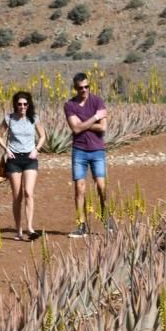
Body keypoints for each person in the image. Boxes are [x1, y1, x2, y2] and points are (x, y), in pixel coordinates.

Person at [0, 91, 45, 241]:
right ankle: (18, 230)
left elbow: (43, 136)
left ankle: (30, 228)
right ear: (15, 105)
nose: (22, 106)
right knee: (17, 196)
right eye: (19, 104)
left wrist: (36, 150)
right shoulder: (9, 119)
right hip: (14, 159)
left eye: (25, 104)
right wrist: (6, 149)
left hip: (30, 159)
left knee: (29, 192)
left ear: (28, 105)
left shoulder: (34, 118)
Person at [64, 73, 108, 238]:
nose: (84, 90)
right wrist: (95, 118)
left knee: (101, 186)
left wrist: (83, 124)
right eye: (80, 87)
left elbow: (103, 128)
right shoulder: (69, 105)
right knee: (79, 188)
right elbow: (75, 129)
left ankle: (106, 216)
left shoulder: (97, 101)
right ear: (75, 88)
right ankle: (81, 224)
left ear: (89, 86)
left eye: (86, 86)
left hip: (97, 149)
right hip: (79, 150)